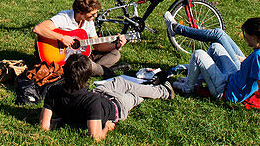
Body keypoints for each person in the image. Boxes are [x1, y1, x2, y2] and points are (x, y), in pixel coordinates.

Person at [164, 13, 260, 117]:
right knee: (215, 47)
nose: (244, 38)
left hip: (226, 91)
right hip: (231, 77)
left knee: (198, 54)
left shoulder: (259, 57)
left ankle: (187, 88)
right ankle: (197, 81)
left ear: (254, 37)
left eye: (246, 35)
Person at [38, 53, 172, 140]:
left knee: (120, 81)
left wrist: (63, 122)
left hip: (99, 92)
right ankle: (164, 90)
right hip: (117, 104)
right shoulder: (91, 102)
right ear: (88, 77)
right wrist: (107, 126)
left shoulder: (54, 91)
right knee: (134, 95)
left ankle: (151, 83)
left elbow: (44, 126)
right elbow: (96, 137)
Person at [32, 0, 126, 78]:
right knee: (87, 64)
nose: (96, 16)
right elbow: (38, 29)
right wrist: (62, 38)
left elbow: (98, 45)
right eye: (92, 14)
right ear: (80, 12)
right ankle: (104, 71)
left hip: (81, 58)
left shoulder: (89, 22)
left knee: (115, 54)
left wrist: (116, 45)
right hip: (64, 60)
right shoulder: (64, 17)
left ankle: (89, 71)